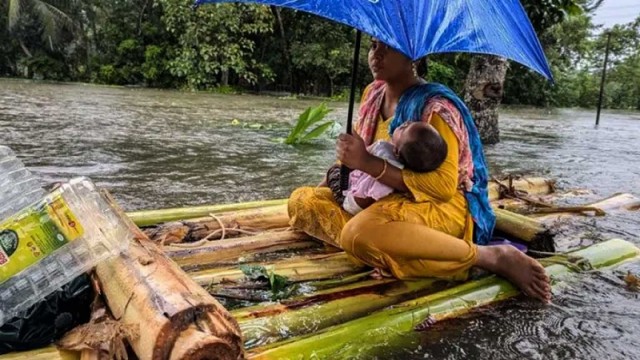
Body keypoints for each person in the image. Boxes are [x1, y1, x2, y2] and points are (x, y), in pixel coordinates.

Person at [288, 38, 551, 302]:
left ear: (413, 56)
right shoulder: (372, 95)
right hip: (378, 200)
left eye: (388, 47)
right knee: (302, 200)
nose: (376, 54)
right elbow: (354, 161)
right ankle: (392, 251)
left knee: (358, 235)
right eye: (373, 45)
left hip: (436, 207)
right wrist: (328, 185)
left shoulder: (435, 108)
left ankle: (488, 256)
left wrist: (368, 163)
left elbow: (442, 187)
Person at [326, 122, 447, 215]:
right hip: (356, 186)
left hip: (351, 202)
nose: (405, 122)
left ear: (396, 151)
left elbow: (365, 201)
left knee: (333, 171)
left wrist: (348, 202)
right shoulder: (400, 168)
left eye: (404, 129)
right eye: (409, 123)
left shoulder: (389, 172)